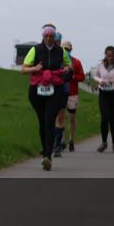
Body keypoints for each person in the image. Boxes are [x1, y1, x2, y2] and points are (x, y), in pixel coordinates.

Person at [21, 24, 72, 172]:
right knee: (42, 122)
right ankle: (45, 149)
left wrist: (67, 69)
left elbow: (69, 67)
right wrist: (35, 68)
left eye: (51, 36)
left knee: (50, 121)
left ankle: (48, 157)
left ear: (55, 37)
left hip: (55, 90)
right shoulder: (35, 49)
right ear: (43, 36)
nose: (49, 38)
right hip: (37, 91)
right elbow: (23, 69)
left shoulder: (61, 51)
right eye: (46, 36)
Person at [60, 40, 86, 153]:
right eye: (64, 49)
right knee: (61, 117)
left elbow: (82, 77)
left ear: (71, 50)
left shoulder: (76, 62)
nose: (66, 51)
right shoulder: (59, 61)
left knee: (71, 118)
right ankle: (61, 140)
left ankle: (71, 139)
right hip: (60, 92)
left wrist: (73, 76)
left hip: (73, 93)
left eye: (68, 49)